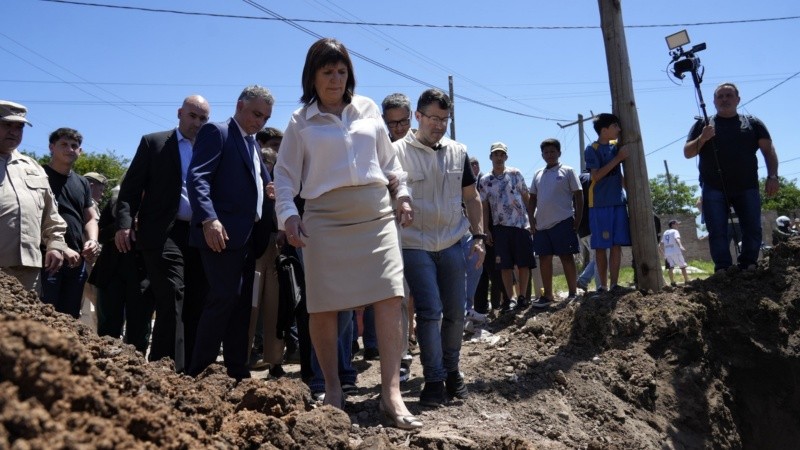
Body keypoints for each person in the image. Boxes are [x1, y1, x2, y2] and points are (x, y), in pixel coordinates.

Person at [274, 38, 419, 429]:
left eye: (341, 71)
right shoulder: (299, 121)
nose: (336, 79)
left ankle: (391, 394)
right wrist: (288, 216)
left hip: (375, 215)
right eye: (327, 72)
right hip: (324, 218)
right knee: (323, 306)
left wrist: (401, 196)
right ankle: (333, 388)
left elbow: (391, 165)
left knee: (390, 297)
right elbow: (284, 176)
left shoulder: (368, 109)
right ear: (313, 76)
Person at [394, 88, 485, 408]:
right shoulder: (396, 152)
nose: (440, 125)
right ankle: (433, 379)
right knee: (430, 311)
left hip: (452, 242)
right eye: (434, 118)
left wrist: (480, 237)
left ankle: (452, 371)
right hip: (414, 244)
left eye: (445, 119)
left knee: (456, 314)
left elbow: (472, 197)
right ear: (417, 117)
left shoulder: (458, 152)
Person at [115, 95, 210, 373]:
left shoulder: (210, 148)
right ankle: (165, 370)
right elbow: (130, 189)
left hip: (199, 234)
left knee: (196, 301)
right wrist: (123, 224)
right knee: (172, 296)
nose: (197, 123)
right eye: (193, 116)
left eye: (203, 119)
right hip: (162, 234)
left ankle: (191, 372)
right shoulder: (154, 142)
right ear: (180, 113)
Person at [187, 85, 275, 380]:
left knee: (240, 305)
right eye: (256, 114)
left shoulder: (252, 144)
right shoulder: (218, 131)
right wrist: (208, 219)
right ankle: (200, 372)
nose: (260, 122)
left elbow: (259, 183)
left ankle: (237, 371)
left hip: (248, 238)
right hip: (220, 234)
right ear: (240, 106)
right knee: (223, 298)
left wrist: (271, 189)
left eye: (265, 117)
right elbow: (198, 177)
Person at [684, 82, 779, 272]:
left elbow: (768, 151)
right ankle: (723, 268)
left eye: (729, 96)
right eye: (720, 96)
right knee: (717, 229)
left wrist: (773, 176)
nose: (724, 99)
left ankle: (749, 263)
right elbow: (687, 153)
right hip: (713, 187)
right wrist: (702, 138)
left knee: (752, 227)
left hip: (747, 186)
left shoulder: (753, 123)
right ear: (714, 101)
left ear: (738, 100)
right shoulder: (704, 125)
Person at [0, 100, 67, 292]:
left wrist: (55, 244)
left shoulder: (32, 166)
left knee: (25, 321)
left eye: (19, 127)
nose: (14, 132)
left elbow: (51, 214)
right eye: (7, 125)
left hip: (29, 270)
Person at [89, 176, 154, 353]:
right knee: (108, 328)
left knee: (139, 330)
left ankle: (136, 368)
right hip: (111, 271)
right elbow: (100, 235)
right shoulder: (115, 203)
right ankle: (105, 365)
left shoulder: (159, 205)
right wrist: (122, 227)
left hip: (143, 276)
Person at [40, 128, 100, 318]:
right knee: (44, 317)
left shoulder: (82, 183)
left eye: (74, 146)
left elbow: (90, 217)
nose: (70, 149)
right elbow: (33, 217)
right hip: (46, 258)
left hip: (76, 263)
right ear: (51, 147)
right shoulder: (38, 176)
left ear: (80, 151)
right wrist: (60, 247)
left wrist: (93, 240)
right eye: (64, 144)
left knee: (69, 320)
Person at [381, 92, 414, 381]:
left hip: (426, 233)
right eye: (392, 123)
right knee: (398, 295)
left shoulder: (422, 145)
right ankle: (402, 354)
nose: (399, 128)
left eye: (403, 121)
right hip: (394, 231)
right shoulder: (379, 150)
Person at [479, 142, 534, 311]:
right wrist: (485, 229)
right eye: (496, 154)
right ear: (490, 157)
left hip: (520, 225)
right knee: (504, 265)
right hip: (500, 227)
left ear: (506, 157)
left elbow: (526, 197)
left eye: (501, 154)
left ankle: (523, 296)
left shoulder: (516, 174)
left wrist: (532, 220)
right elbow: (484, 206)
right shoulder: (485, 180)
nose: (499, 157)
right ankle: (508, 299)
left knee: (523, 263)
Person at [528, 138, 582, 308]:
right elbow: (532, 199)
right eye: (546, 152)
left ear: (559, 153)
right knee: (544, 259)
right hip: (542, 225)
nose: (549, 155)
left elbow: (578, 196)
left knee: (566, 256)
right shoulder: (538, 174)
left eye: (552, 151)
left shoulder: (567, 171)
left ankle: (573, 292)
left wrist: (578, 219)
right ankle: (548, 295)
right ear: (542, 155)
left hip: (563, 221)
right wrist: (532, 219)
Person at [584, 113, 631, 294]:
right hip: (599, 204)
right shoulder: (592, 149)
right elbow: (595, 175)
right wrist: (618, 158)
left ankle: (614, 284)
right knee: (601, 247)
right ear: (604, 130)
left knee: (616, 245)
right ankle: (602, 286)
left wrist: (630, 193)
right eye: (615, 126)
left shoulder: (616, 147)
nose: (619, 130)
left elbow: (619, 175)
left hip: (618, 202)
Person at [576, 169, 599, 292]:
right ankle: (600, 288)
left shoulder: (578, 179)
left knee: (596, 256)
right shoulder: (590, 178)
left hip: (582, 228)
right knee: (600, 256)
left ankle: (583, 280)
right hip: (592, 224)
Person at [660, 219, 689, 287]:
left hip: (667, 253)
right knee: (683, 266)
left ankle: (672, 282)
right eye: (677, 224)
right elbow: (677, 239)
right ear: (672, 224)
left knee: (670, 268)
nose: (678, 225)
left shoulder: (665, 232)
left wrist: (662, 253)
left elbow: (660, 244)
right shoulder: (675, 231)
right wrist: (681, 246)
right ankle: (687, 281)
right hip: (675, 252)